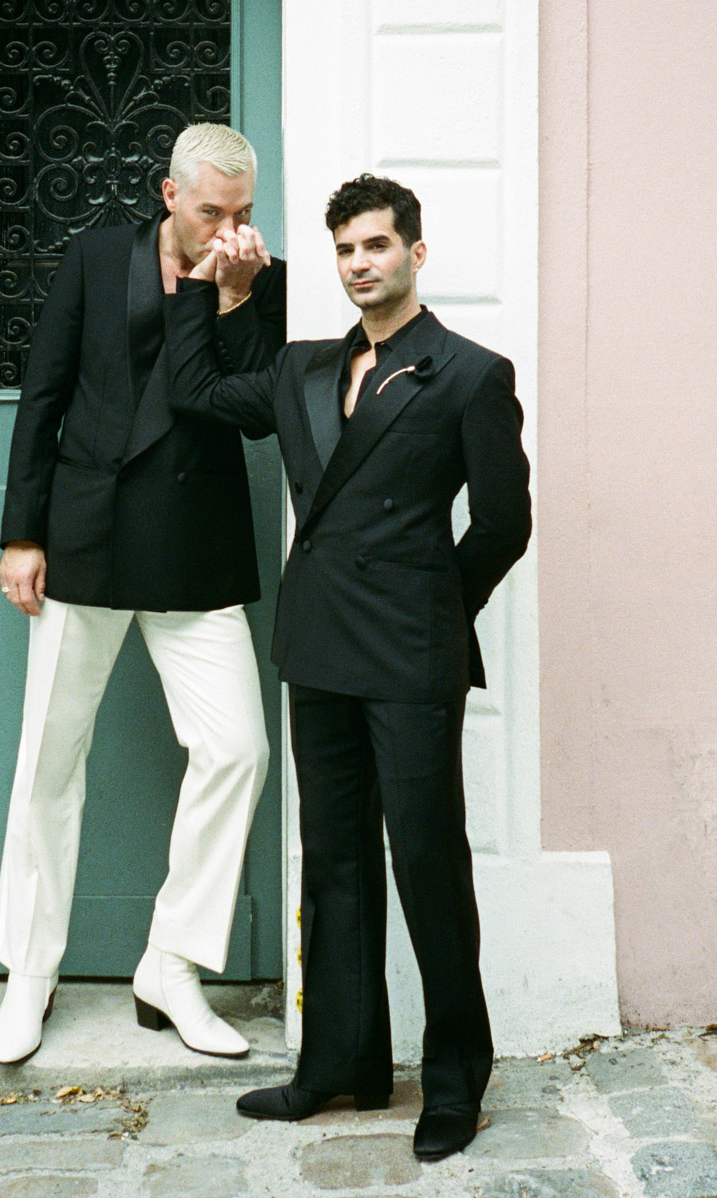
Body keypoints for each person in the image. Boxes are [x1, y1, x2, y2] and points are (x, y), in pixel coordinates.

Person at [164, 173, 531, 1162]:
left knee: (425, 864)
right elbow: (195, 392)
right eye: (344, 250)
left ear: (415, 251)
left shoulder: (464, 373)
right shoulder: (300, 369)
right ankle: (339, 1064)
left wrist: (436, 603)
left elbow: (501, 522)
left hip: (409, 655)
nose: (360, 263)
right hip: (317, 649)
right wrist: (206, 286)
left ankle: (452, 1082)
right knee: (329, 865)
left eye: (376, 245)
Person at [0, 122, 286, 1066]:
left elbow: (243, 411)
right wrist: (22, 532)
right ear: (168, 195)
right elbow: (45, 392)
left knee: (238, 749)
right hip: (86, 533)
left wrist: (233, 298)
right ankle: (29, 972)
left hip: (192, 546)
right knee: (48, 758)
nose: (227, 228)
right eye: (211, 212)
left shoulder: (256, 281)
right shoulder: (92, 257)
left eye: (241, 214)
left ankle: (173, 962)